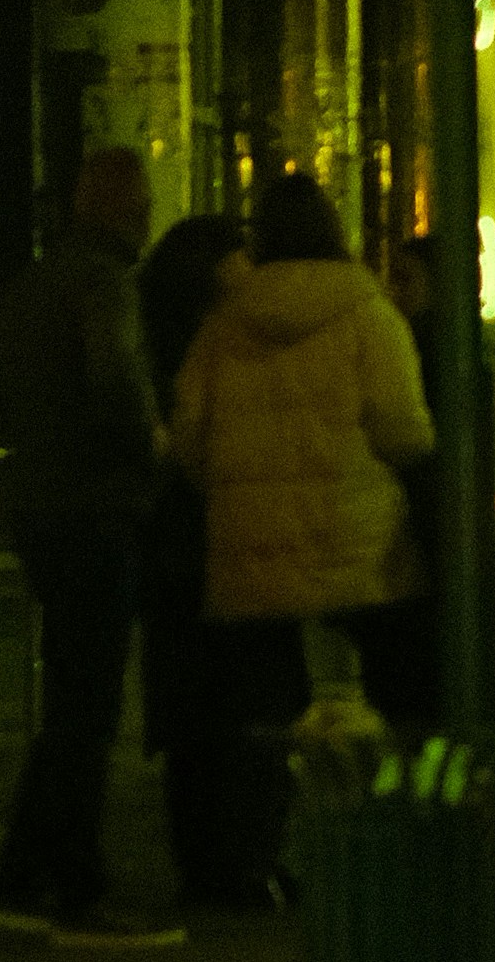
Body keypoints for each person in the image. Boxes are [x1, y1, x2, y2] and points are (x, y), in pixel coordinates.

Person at [0, 146, 178, 946]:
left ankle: (23, 877)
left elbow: (0, 391)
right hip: (95, 512)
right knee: (87, 710)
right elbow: (116, 389)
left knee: (70, 703)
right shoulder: (105, 284)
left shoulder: (34, 283)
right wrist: (155, 451)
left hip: (42, 507)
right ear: (128, 210)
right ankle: (75, 889)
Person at [168, 173, 440, 734]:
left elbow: (189, 435)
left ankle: (270, 813)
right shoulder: (370, 316)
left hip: (251, 558)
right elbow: (403, 434)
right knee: (385, 707)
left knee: (263, 722)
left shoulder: (222, 326)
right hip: (357, 553)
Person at [131, 212, 287, 908]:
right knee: (244, 705)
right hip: (223, 536)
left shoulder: (160, 340)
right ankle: (237, 863)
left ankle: (211, 862)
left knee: (197, 715)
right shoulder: (224, 347)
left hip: (179, 546)